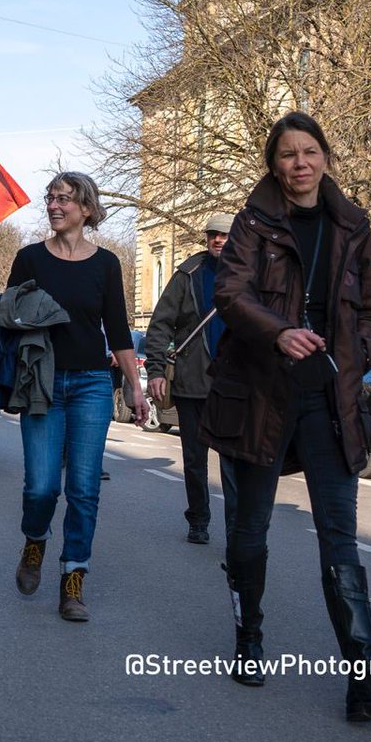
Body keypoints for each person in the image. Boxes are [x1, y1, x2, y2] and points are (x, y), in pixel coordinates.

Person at [199, 111, 371, 718]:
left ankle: (365, 676)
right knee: (251, 528)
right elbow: (231, 295)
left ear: (325, 157)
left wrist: (354, 357)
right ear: (273, 164)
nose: (299, 163)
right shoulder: (252, 223)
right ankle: (248, 638)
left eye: (309, 152)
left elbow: (370, 310)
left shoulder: (352, 223)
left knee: (340, 535)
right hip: (259, 395)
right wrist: (279, 334)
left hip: (329, 400)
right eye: (287, 154)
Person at [8, 171, 147, 622]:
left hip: (90, 384)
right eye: (50, 198)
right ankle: (35, 540)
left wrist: (135, 386)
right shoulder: (29, 258)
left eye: (64, 199)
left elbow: (120, 331)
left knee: (84, 488)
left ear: (86, 208)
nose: (54, 205)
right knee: (42, 486)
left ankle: (73, 576)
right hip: (43, 385)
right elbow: (8, 317)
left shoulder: (106, 263)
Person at [143, 213, 236, 545]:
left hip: (233, 385)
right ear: (207, 237)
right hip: (192, 382)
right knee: (195, 460)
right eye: (213, 234)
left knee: (234, 463)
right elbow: (160, 325)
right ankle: (198, 520)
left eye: (225, 235)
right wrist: (155, 370)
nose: (219, 240)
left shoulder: (250, 275)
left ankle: (238, 529)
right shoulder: (188, 274)